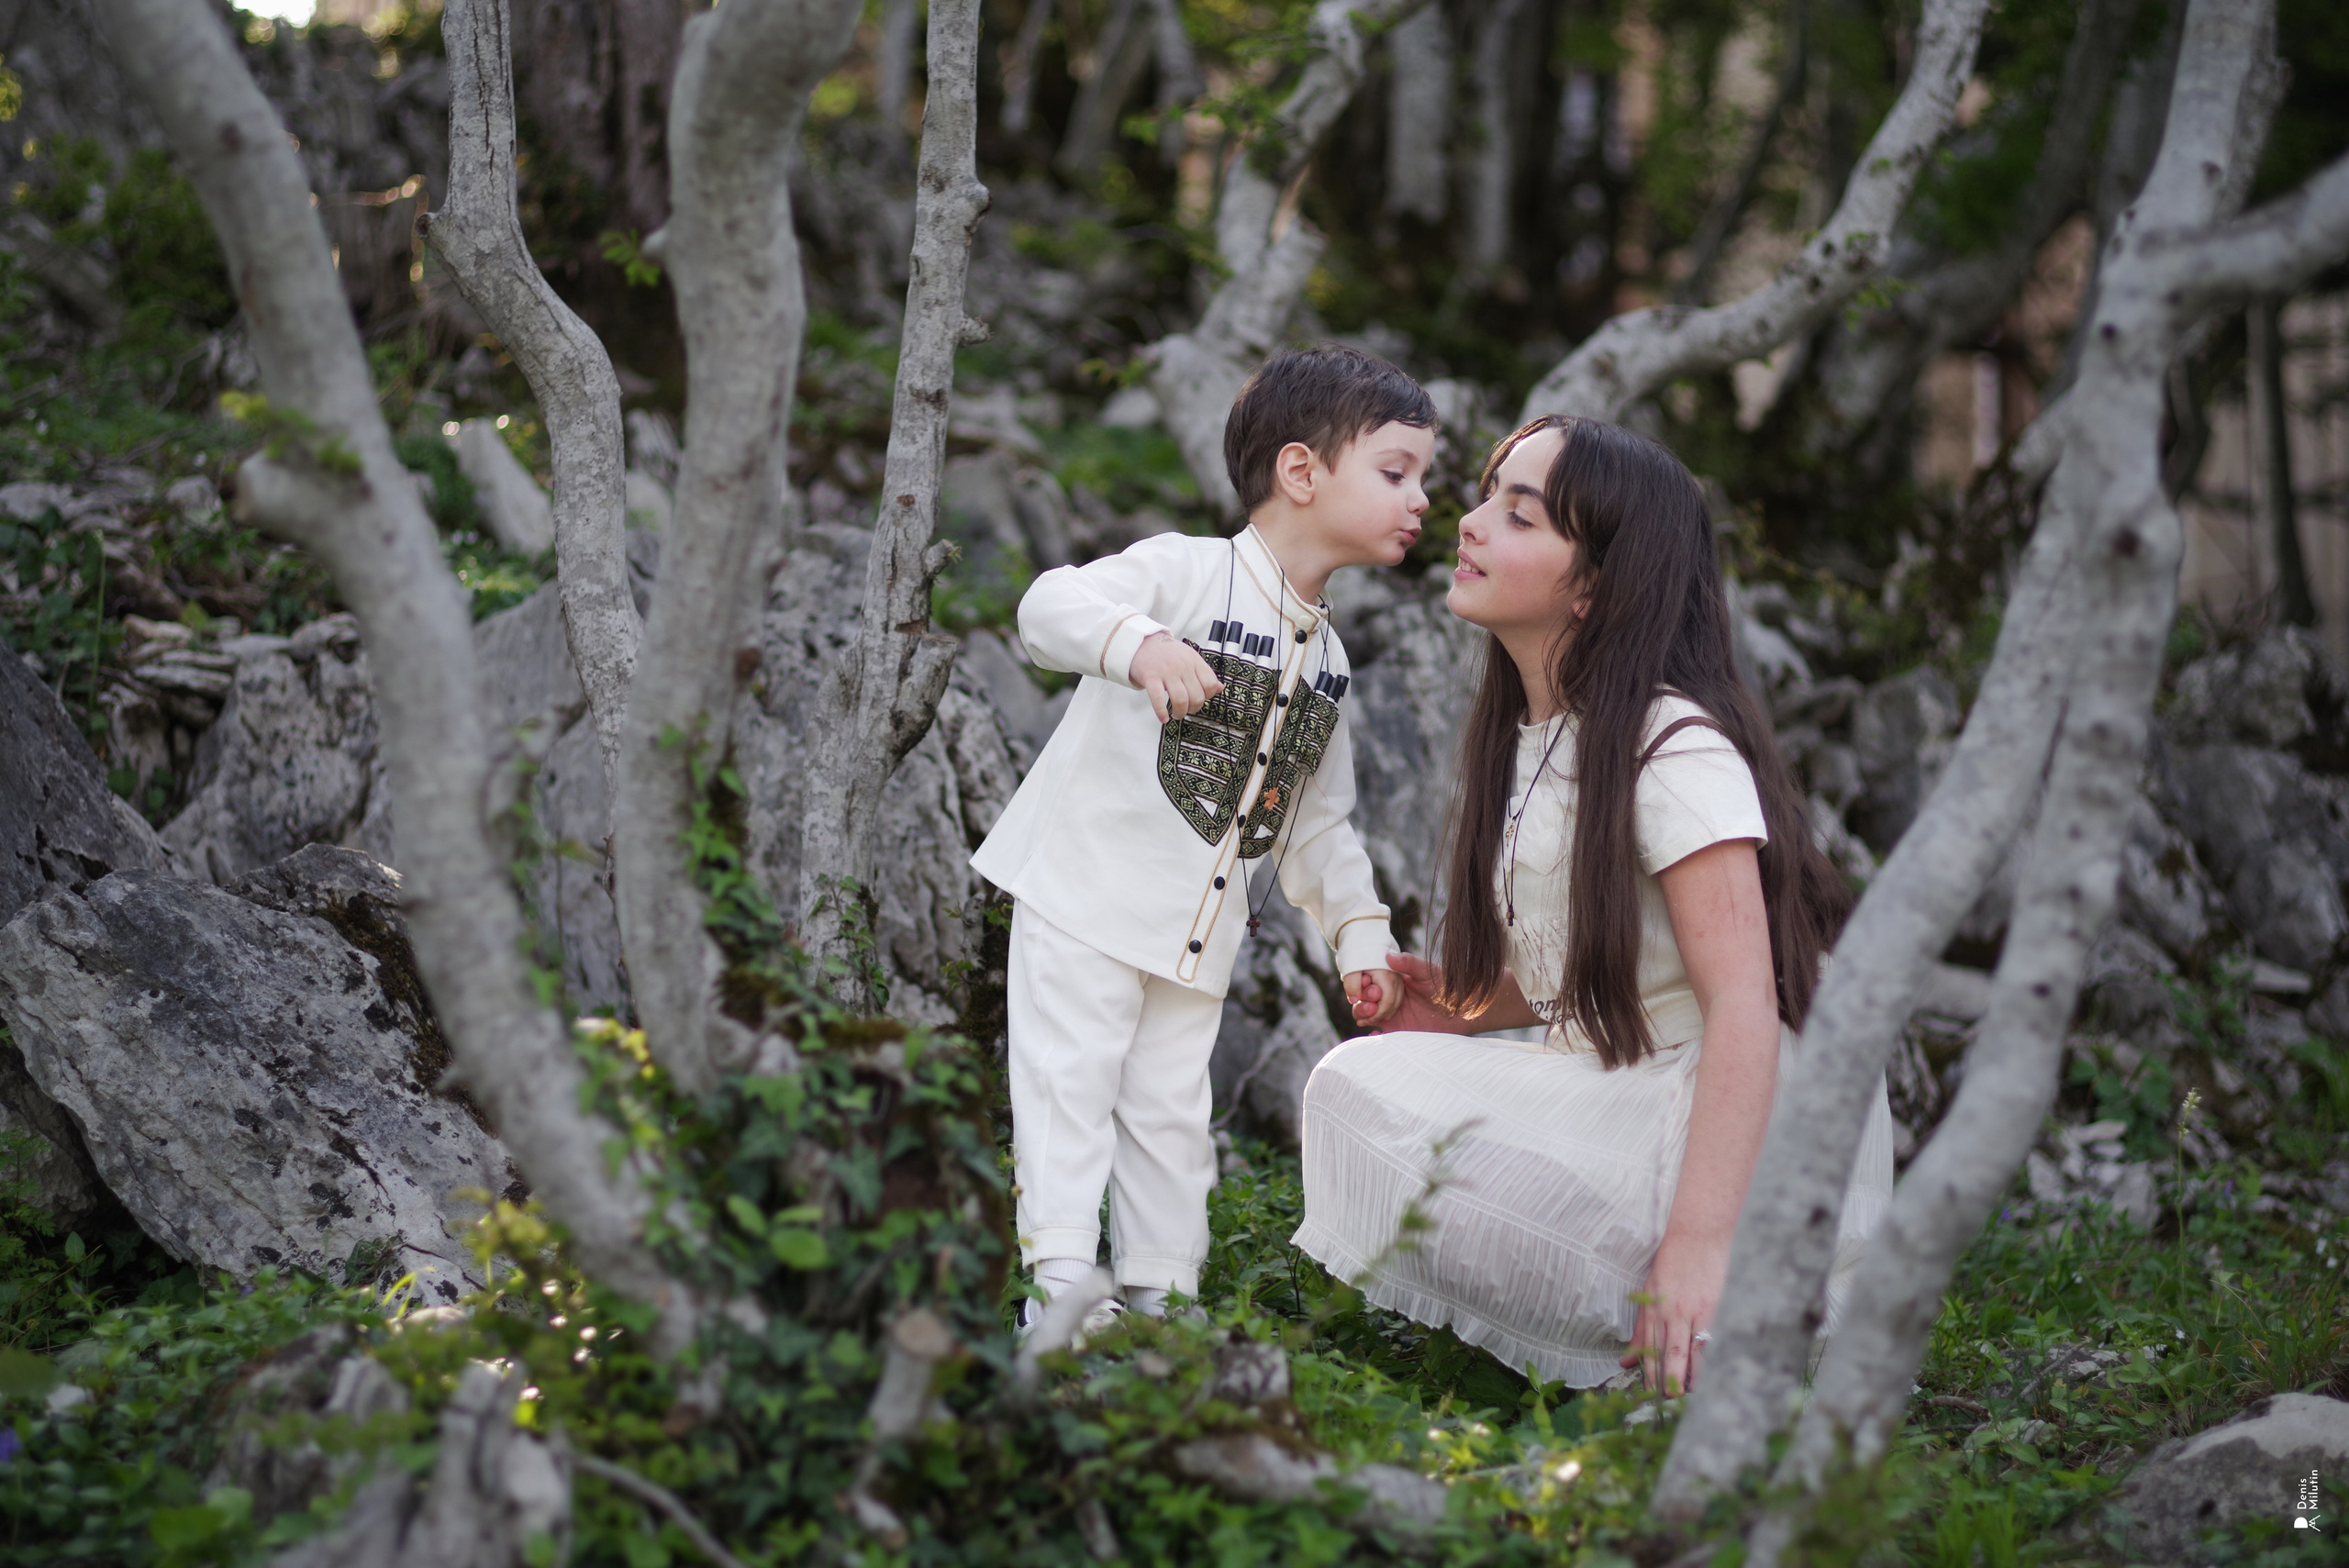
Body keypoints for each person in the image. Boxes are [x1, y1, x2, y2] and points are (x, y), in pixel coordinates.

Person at [1292, 416, 1894, 1393]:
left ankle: (1692, 1311)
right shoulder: (1537, 735)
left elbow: (1743, 1000)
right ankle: (1631, 1342)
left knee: (1356, 1094)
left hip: (1716, 1119)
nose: (1472, 523)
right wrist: (1453, 1005)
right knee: (1361, 1079)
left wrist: (1699, 1241)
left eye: (1518, 514)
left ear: (1593, 584)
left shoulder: (1670, 742)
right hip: (1625, 1079)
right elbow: (1589, 971)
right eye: (1487, 495)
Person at [973, 346, 1437, 1327]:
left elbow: (1319, 819)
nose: (1420, 497)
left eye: (1423, 477)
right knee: (1069, 1084)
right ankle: (1058, 1292)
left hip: (1196, 939)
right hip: (1088, 895)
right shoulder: (1182, 571)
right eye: (1396, 471)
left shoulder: (1331, 658)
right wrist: (1137, 644)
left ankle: (1161, 1301)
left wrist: (1358, 935)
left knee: (1171, 1116)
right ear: (1302, 472)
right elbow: (1047, 604)